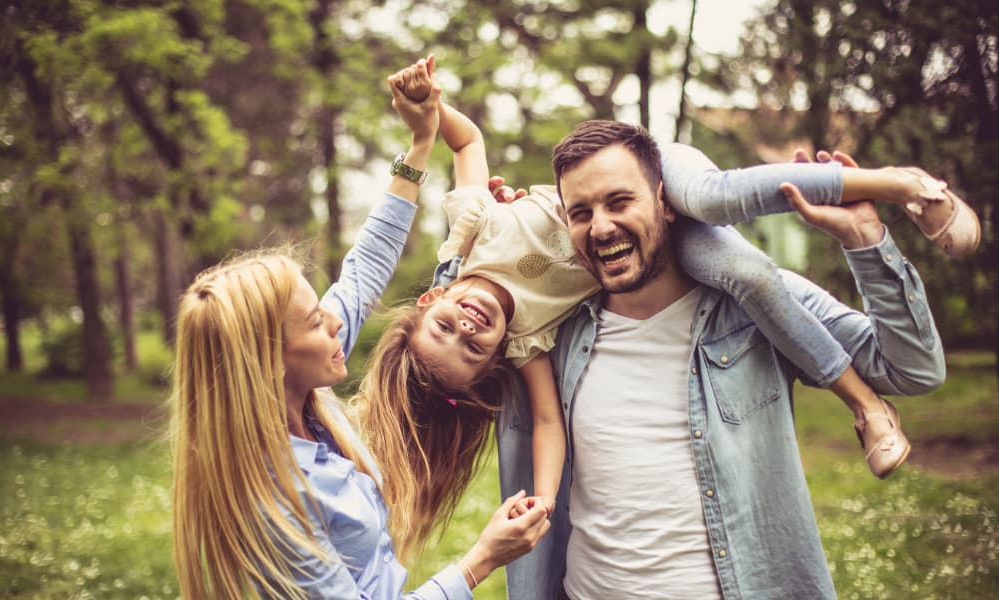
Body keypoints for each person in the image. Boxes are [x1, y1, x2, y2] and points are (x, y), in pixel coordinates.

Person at [361, 55, 975, 538]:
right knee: (747, 273)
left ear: (430, 301)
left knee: (710, 197)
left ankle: (902, 184)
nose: (468, 328)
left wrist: (429, 114)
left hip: (643, 163)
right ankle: (865, 403)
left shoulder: (472, 230)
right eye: (472, 349)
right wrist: (544, 500)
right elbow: (547, 421)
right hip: (657, 232)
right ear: (495, 357)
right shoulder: (533, 340)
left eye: (446, 329)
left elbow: (467, 145)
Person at [492, 121, 953, 599]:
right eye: (581, 212)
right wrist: (483, 245)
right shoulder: (556, 333)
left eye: (620, 202)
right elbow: (455, 354)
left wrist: (865, 239)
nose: (601, 226)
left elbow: (913, 370)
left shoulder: (761, 307)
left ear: (665, 201)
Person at [169, 71, 549, 600]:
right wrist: (480, 560)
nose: (336, 322)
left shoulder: (303, 392)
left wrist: (420, 143)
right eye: (314, 321)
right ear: (268, 362)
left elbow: (365, 266)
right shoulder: (272, 502)